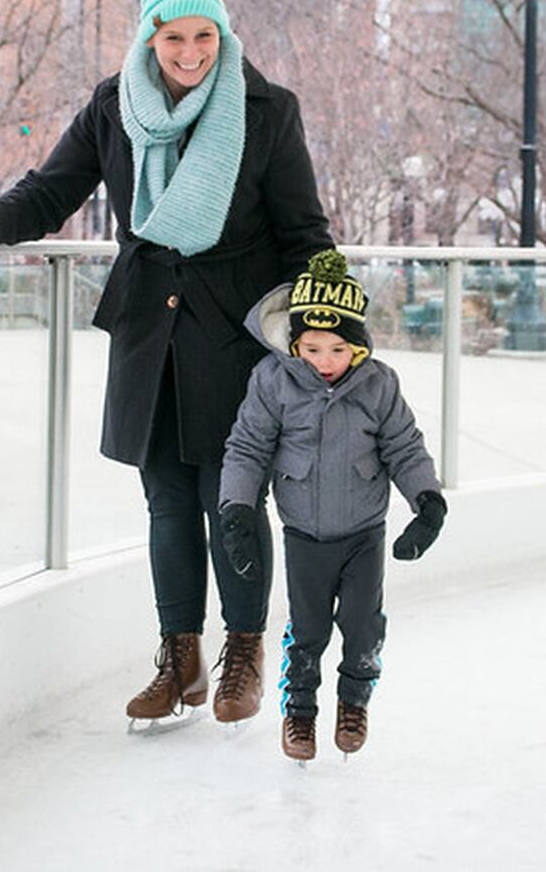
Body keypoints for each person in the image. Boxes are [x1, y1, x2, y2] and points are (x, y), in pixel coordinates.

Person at [0, 0, 333, 725]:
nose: (190, 52)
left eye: (204, 35)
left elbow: (304, 231)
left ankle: (242, 653)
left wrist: (323, 318)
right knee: (167, 502)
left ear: (222, 32)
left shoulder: (267, 108)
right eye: (174, 36)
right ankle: (178, 655)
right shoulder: (115, 106)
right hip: (150, 328)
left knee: (234, 501)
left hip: (235, 336)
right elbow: (52, 190)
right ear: (149, 35)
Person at [218, 249, 448, 761]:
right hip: (303, 532)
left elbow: (404, 446)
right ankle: (299, 711)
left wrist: (427, 502)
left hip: (363, 530)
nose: (325, 361)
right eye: (313, 348)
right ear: (295, 343)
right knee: (310, 628)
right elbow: (248, 448)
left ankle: (353, 701)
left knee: (363, 624)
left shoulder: (379, 385)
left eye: (338, 349)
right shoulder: (273, 382)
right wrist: (235, 508)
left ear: (359, 348)